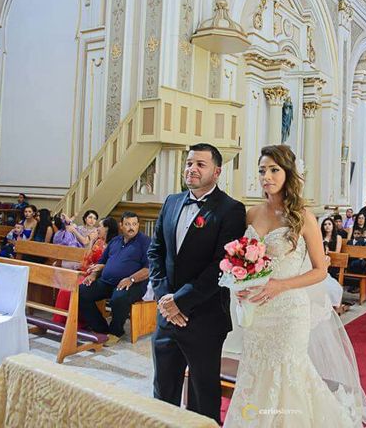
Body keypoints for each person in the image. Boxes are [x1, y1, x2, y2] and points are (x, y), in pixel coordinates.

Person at [225, 145, 366, 426]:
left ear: (288, 174)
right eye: (263, 170)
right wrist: (238, 283)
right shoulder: (251, 214)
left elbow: (319, 271)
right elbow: (245, 260)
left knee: (288, 372)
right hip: (257, 310)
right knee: (255, 370)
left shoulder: (303, 217)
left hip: (289, 310)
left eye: (274, 170)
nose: (267, 176)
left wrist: (282, 285)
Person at [147, 143, 246, 423]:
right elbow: (156, 252)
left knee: (203, 395)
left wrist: (181, 301)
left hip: (203, 318)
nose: (192, 169)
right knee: (163, 391)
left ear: (217, 171)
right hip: (167, 316)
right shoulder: (171, 202)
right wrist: (166, 300)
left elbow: (220, 266)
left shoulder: (231, 210)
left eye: (200, 164)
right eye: (189, 163)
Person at [79, 212, 150, 346]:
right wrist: (93, 275)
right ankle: (100, 329)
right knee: (82, 291)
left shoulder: (145, 242)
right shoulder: (115, 241)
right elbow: (102, 262)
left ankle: (116, 332)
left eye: (134, 224)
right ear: (121, 225)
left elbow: (148, 269)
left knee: (118, 297)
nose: (131, 227)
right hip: (107, 282)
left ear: (138, 225)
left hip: (133, 284)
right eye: (128, 224)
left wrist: (131, 279)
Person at [53, 217, 119, 325]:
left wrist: (96, 270)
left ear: (107, 228)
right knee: (66, 288)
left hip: (102, 276)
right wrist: (92, 240)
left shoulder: (115, 243)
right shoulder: (99, 241)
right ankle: (61, 322)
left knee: (74, 290)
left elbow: (113, 264)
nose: (97, 229)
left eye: (100, 226)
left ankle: (77, 323)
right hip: (90, 272)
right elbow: (88, 257)